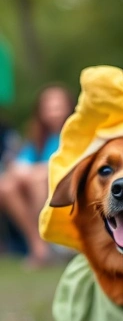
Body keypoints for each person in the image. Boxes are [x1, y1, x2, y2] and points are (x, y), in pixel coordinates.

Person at [0, 84, 73, 267]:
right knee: (6, 186)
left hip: (66, 188)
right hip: (37, 185)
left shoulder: (75, 134)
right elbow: (20, 164)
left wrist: (36, 171)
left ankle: (48, 241)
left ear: (69, 107)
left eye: (58, 106)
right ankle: (38, 246)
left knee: (38, 178)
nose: (53, 112)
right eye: (48, 108)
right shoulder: (38, 138)